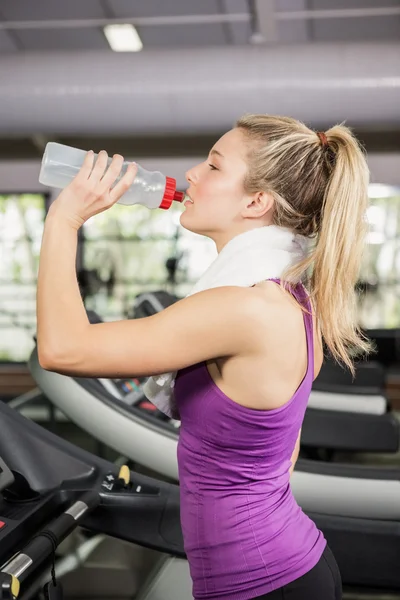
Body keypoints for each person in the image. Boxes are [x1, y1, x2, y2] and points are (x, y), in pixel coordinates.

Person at [36, 114, 372, 600]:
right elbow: (284, 452)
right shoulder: (290, 298)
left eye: (214, 166)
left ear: (256, 201)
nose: (192, 174)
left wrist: (64, 218)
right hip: (286, 566)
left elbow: (61, 348)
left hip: (263, 583)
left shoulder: (245, 308)